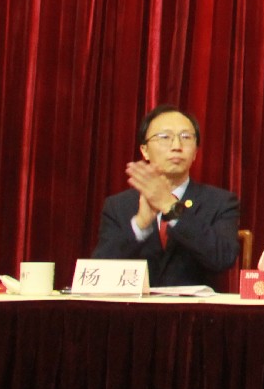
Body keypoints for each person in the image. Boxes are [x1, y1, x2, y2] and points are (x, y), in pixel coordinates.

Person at [92, 103, 240, 289]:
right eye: (165, 137)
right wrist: (140, 224)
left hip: (194, 307)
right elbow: (98, 270)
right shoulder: (118, 205)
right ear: (145, 150)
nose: (176, 146)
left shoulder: (220, 202)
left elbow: (223, 258)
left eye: (186, 137)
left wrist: (171, 207)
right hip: (134, 306)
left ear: (195, 152)